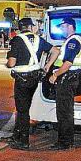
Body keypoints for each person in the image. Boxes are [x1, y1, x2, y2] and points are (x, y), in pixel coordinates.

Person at [5, 18, 60, 149]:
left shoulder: (17, 40)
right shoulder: (38, 39)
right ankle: (16, 135)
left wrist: (7, 64)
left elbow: (11, 63)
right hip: (34, 78)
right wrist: (47, 65)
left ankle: (23, 140)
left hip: (22, 78)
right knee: (25, 107)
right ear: (30, 27)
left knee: (22, 110)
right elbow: (56, 51)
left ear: (20, 28)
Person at [46, 16, 81, 150]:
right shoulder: (71, 41)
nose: (61, 29)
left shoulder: (72, 42)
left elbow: (67, 63)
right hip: (68, 79)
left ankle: (65, 142)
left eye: (62, 26)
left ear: (70, 26)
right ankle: (66, 141)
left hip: (67, 79)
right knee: (65, 110)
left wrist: (55, 75)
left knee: (64, 111)